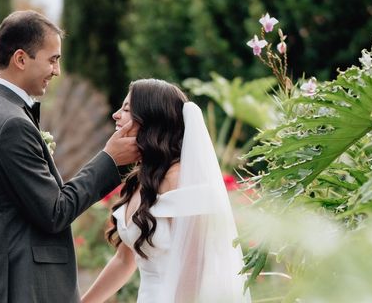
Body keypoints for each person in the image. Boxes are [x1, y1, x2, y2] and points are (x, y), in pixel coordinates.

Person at [0, 10, 140, 302]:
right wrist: (109, 159)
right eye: (53, 59)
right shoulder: (10, 123)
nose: (57, 70)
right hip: (27, 288)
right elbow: (54, 212)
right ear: (21, 59)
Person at [82, 79, 250, 303]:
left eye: (126, 109)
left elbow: (195, 266)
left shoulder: (182, 179)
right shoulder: (142, 180)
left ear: (151, 120)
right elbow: (124, 260)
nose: (115, 115)